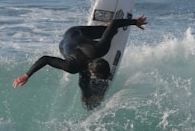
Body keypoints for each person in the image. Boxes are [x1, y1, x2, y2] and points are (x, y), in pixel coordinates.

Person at [13, 15, 147, 105]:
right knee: (83, 75)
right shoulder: (72, 66)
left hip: (75, 33)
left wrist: (135, 22)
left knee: (111, 30)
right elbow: (45, 59)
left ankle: (87, 97)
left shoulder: (100, 48)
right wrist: (26, 75)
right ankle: (87, 97)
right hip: (67, 39)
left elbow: (115, 24)